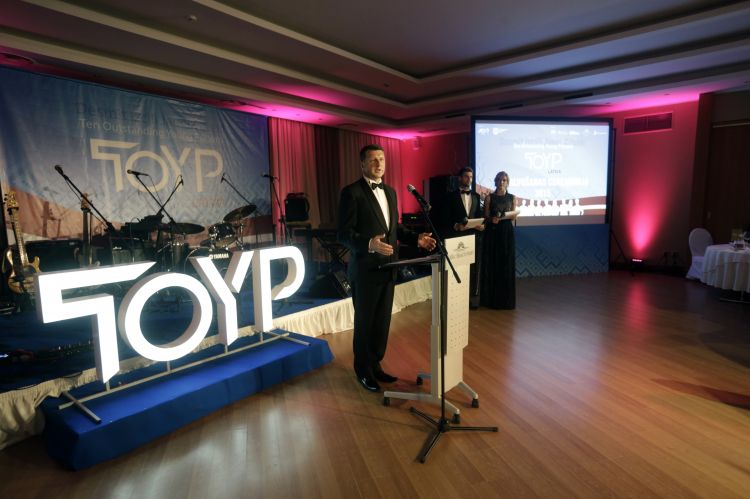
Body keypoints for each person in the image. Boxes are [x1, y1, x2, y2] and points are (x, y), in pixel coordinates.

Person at [338, 144, 436, 392]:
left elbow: (395, 229)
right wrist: (368, 244)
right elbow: (343, 234)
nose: (378, 164)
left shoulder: (391, 192)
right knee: (365, 323)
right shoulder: (352, 192)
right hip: (365, 270)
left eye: (381, 159)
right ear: (362, 164)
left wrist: (416, 239)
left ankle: (375, 365)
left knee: (381, 323)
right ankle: (363, 370)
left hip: (389, 268)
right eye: (373, 160)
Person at [437, 167, 485, 308]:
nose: (469, 179)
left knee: (472, 269)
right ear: (460, 178)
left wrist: (482, 225)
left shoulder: (476, 196)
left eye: (471, 177)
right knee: (457, 268)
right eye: (466, 176)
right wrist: (456, 226)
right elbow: (445, 218)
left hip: (472, 238)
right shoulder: (450, 196)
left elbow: (478, 215)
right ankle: (455, 300)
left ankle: (471, 300)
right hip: (456, 238)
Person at [481, 171, 519, 309]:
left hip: (507, 232)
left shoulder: (512, 198)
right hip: (493, 232)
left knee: (506, 263)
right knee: (494, 263)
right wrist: (492, 219)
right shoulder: (489, 198)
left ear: (507, 182)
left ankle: (506, 301)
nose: (502, 182)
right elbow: (485, 217)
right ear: (495, 181)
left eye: (504, 180)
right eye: (499, 180)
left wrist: (512, 215)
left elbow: (513, 217)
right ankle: (492, 300)